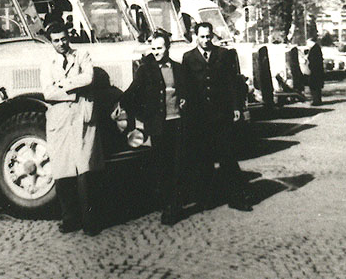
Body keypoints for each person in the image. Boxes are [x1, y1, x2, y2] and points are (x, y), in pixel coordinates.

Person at [119, 30, 190, 226]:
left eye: (160, 48)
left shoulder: (178, 68)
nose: (157, 52)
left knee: (177, 165)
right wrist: (143, 116)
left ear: (168, 47)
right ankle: (167, 205)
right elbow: (129, 97)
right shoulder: (145, 69)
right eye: (154, 48)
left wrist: (185, 100)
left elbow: (186, 90)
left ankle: (174, 205)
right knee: (163, 166)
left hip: (177, 122)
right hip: (158, 126)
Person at [40, 22, 103, 236]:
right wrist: (74, 89)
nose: (61, 43)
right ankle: (69, 219)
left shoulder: (82, 55)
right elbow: (48, 92)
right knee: (62, 169)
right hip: (60, 120)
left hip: (83, 117)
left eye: (64, 39)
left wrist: (63, 84)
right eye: (56, 40)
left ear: (69, 37)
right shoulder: (47, 62)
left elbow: (88, 77)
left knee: (86, 169)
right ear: (51, 42)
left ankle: (90, 221)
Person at [182, 22, 252, 211]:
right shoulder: (188, 58)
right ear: (195, 36)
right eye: (202, 37)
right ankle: (207, 198)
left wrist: (236, 107)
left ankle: (237, 198)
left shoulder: (223, 54)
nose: (206, 41)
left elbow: (232, 83)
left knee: (227, 156)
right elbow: (186, 87)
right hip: (200, 116)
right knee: (204, 158)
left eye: (208, 36)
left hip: (221, 114)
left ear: (212, 35)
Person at [306, 37, 324, 106]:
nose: (307, 44)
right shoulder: (316, 48)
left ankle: (316, 101)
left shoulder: (314, 49)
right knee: (317, 86)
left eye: (308, 43)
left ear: (311, 42)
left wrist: (310, 66)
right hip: (317, 70)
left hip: (315, 70)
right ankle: (317, 100)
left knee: (314, 86)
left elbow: (313, 60)